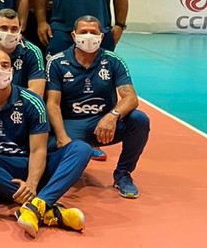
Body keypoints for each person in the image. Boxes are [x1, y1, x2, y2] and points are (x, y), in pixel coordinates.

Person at [0, 49, 92, 239]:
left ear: (12, 71)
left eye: (5, 65)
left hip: (32, 164)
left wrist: (32, 183)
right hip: (0, 170)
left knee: (81, 149)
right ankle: (47, 209)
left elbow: (39, 149)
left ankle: (36, 205)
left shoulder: (32, 101)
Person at [45, 16, 151, 198]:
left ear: (101, 36)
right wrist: (62, 136)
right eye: (83, 32)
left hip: (103, 123)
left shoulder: (113, 61)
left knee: (139, 120)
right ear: (73, 35)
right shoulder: (57, 62)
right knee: (62, 158)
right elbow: (52, 103)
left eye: (93, 32)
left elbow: (131, 97)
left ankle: (123, 174)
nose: (88, 36)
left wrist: (113, 115)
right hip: (72, 123)